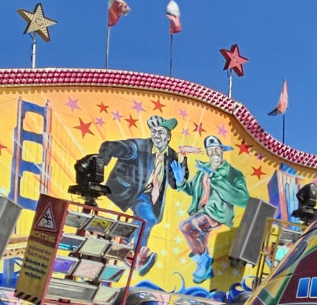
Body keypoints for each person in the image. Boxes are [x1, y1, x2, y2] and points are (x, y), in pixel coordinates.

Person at [98, 115, 187, 274]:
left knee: (143, 221)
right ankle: (138, 256)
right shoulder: (139, 146)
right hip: (133, 192)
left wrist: (181, 175)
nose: (156, 135)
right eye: (154, 132)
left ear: (168, 137)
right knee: (148, 219)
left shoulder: (171, 155)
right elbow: (114, 146)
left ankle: (124, 243)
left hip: (151, 198)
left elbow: (174, 183)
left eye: (160, 132)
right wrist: (101, 161)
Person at [176, 135, 250, 283]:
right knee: (200, 238)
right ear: (207, 153)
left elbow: (243, 199)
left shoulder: (233, 174)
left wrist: (215, 178)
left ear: (222, 151)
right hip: (201, 211)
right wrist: (181, 182)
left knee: (186, 227)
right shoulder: (202, 171)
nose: (214, 153)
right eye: (210, 150)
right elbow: (192, 190)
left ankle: (203, 259)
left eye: (216, 149)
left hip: (217, 213)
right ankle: (206, 269)